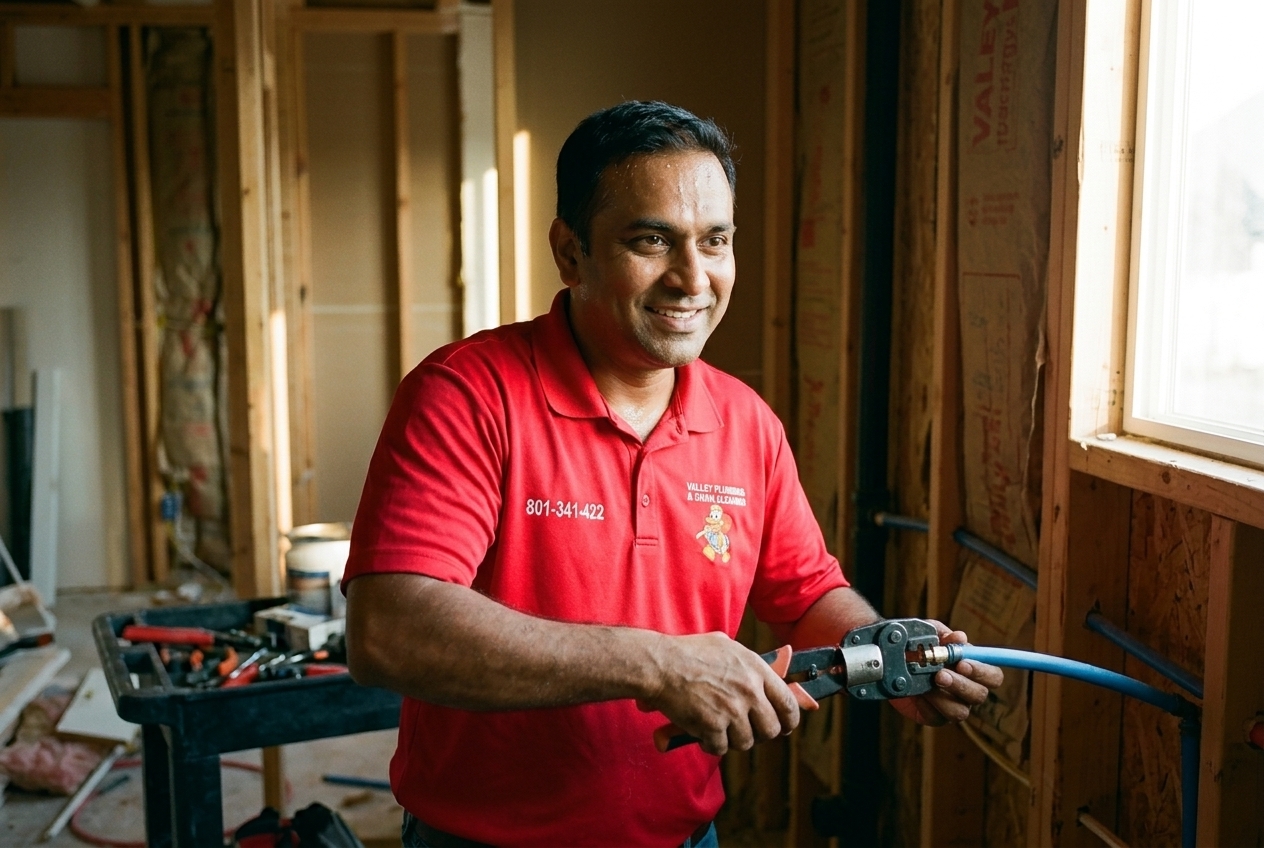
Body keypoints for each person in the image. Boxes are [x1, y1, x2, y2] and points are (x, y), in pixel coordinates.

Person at [342, 100, 1002, 848]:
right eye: (651, 240)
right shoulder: (468, 393)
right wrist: (656, 664)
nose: (693, 278)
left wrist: (884, 654)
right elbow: (390, 631)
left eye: (715, 241)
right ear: (570, 253)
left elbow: (806, 591)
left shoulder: (744, 421)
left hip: (686, 836)